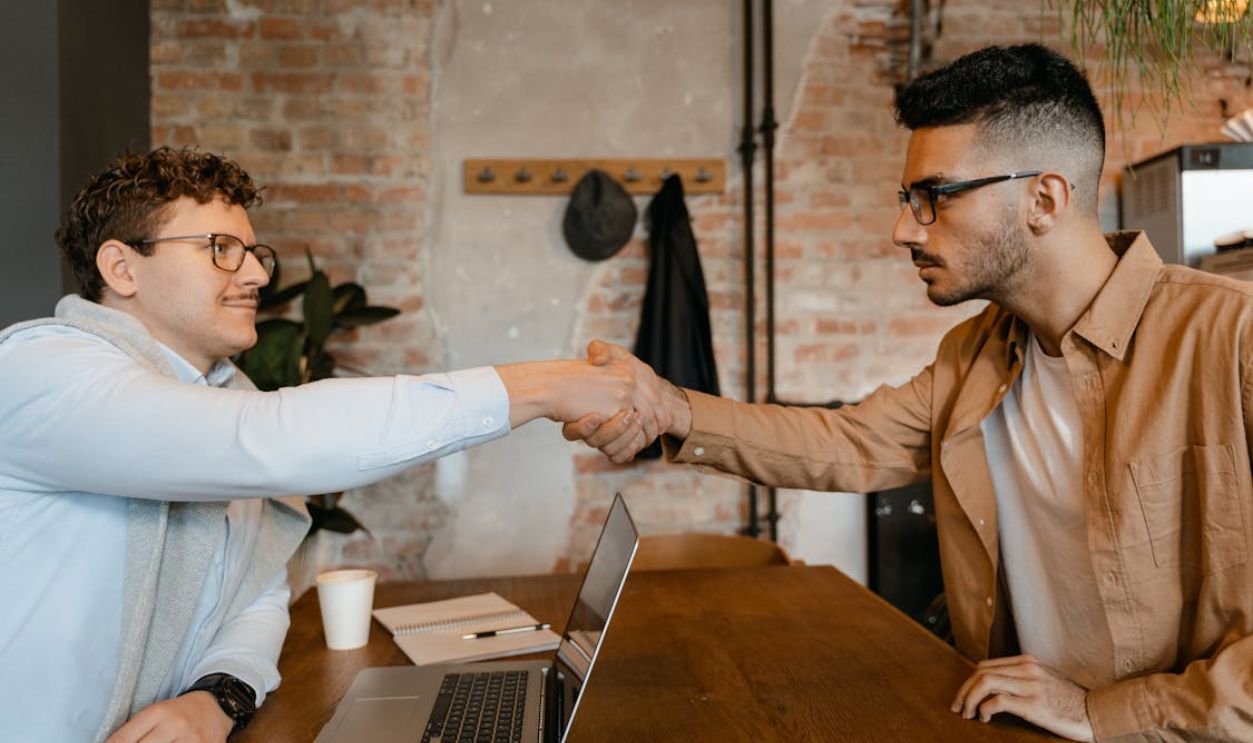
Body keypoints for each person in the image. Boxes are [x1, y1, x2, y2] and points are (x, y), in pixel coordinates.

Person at [566, 44, 1253, 742]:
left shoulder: (1232, 337)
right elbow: (849, 440)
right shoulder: (977, 354)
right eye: (907, 200)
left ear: (1042, 199)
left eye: (934, 197)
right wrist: (671, 407)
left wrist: (1097, 712)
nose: (904, 230)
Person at [0, 147, 669, 743]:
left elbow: (255, 590)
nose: (257, 275)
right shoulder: (43, 369)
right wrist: (543, 386)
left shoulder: (225, 396)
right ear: (121, 266)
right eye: (219, 249)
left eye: (253, 253)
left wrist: (217, 697)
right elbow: (259, 443)